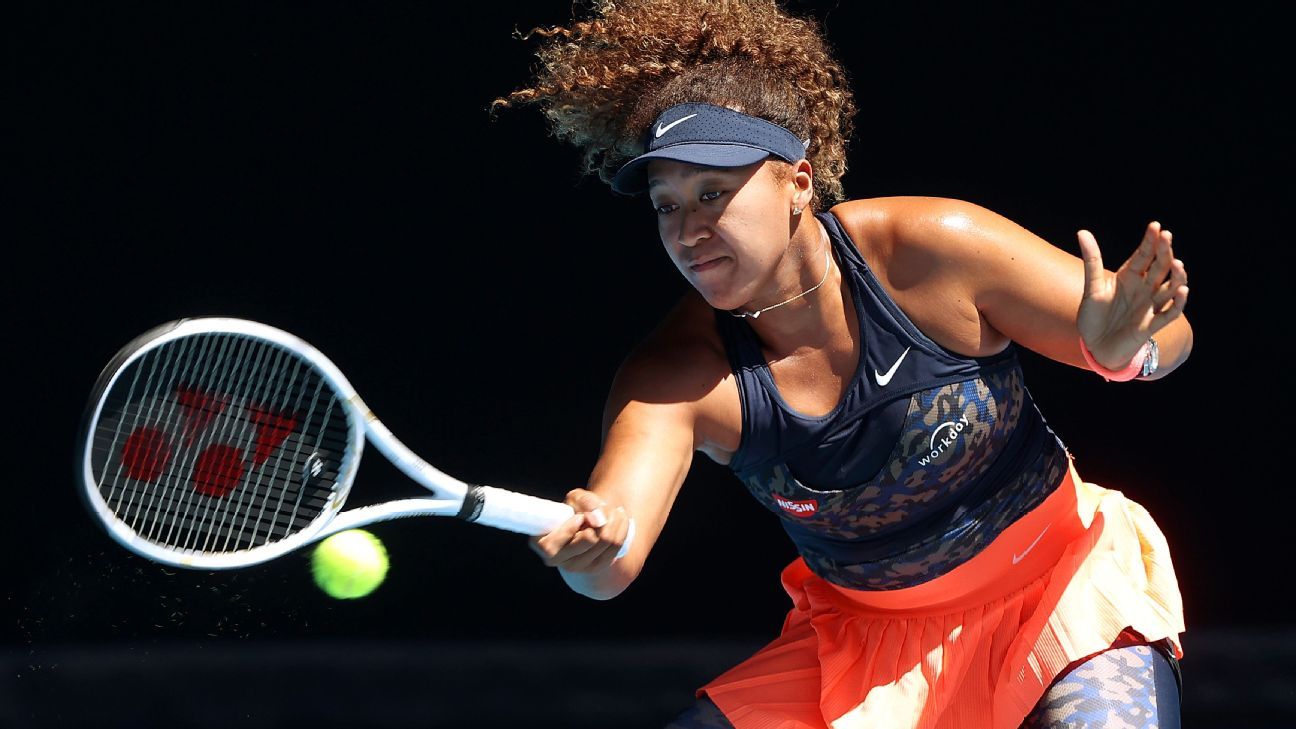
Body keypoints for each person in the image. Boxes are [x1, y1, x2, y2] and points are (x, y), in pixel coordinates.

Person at [493, 2, 1191, 727]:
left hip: (1063, 592)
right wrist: (590, 551)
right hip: (862, 656)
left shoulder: (931, 252)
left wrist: (1127, 351)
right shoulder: (677, 375)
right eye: (667, 206)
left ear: (798, 182)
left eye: (712, 193)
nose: (689, 231)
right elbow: (613, 556)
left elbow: (1171, 339)